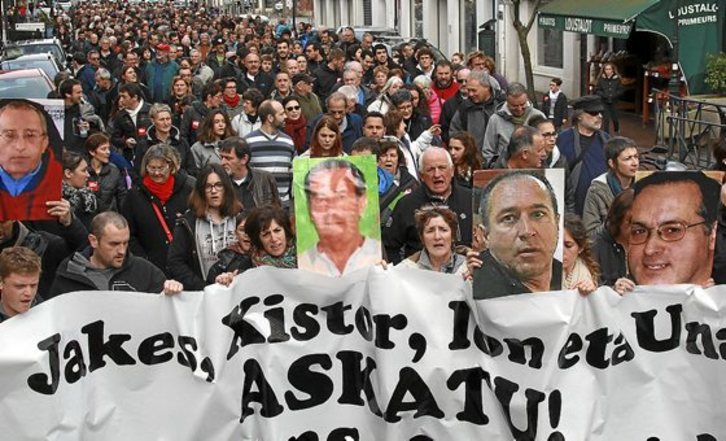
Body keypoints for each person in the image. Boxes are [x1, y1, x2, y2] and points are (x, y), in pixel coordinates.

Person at [615, 171, 720, 293]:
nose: (649, 249)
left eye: (672, 230)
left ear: (713, 235)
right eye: (639, 231)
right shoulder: (609, 299)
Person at [471, 171, 561, 299]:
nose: (526, 231)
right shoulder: (473, 289)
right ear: (486, 235)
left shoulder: (572, 279)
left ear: (557, 223)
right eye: (509, 218)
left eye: (538, 214)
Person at [48, 212, 184, 297]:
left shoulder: (145, 272)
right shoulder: (70, 274)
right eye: (114, 244)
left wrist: (171, 292)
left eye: (125, 243)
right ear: (93, 241)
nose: (122, 251)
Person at [384, 148, 472, 264]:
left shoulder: (471, 199)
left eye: (442, 168)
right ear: (421, 175)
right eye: (430, 170)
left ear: (452, 171)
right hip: (420, 273)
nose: (437, 174)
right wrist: (402, 271)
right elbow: (390, 246)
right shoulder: (406, 204)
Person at [298, 159, 382, 276]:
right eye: (321, 200)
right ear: (309, 208)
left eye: (341, 197)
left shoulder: (377, 256)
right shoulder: (302, 264)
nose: (332, 210)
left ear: (361, 202)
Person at [121, 144, 195, 276]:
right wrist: (143, 260)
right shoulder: (134, 195)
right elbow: (129, 233)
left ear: (171, 166)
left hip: (187, 267)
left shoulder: (189, 189)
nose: (156, 173)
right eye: (152, 168)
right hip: (151, 269)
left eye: (161, 168)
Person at [167, 164, 242, 290]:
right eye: (208, 186)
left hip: (237, 291)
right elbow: (175, 262)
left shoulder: (240, 218)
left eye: (219, 185)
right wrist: (203, 288)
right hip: (202, 293)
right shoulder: (187, 222)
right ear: (201, 190)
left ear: (226, 187)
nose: (214, 191)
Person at [0, 100, 64, 221]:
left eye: (30, 135)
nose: (20, 146)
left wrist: (69, 222)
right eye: (9, 135)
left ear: (44, 143)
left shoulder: (62, 182)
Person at [557, 95, 609, 215]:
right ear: (579, 116)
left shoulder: (606, 140)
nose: (599, 116)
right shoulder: (563, 140)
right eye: (593, 113)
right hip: (574, 208)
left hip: (601, 207)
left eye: (601, 113)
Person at [582, 136, 639, 236]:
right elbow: (590, 233)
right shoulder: (597, 190)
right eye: (627, 159)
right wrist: (616, 221)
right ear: (612, 163)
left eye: (636, 157)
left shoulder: (643, 184)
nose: (635, 163)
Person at [243, 100, 296, 207]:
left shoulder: (288, 141)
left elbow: (293, 171)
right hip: (258, 205)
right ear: (270, 118)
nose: (285, 116)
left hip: (283, 205)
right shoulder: (249, 141)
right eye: (281, 114)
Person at [481, 82, 545, 168]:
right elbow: (488, 152)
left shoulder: (539, 116)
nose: (519, 109)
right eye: (514, 106)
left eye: (522, 104)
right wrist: (498, 167)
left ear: (527, 99)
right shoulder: (495, 120)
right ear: (507, 102)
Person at [396, 206, 467, 275]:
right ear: (422, 238)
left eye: (443, 230)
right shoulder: (405, 270)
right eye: (430, 231)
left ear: (452, 236)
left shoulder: (468, 268)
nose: (437, 237)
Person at [218, 136, 280, 210]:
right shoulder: (218, 181)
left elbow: (277, 210)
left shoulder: (265, 179)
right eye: (221, 157)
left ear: (244, 159)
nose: (222, 162)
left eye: (228, 158)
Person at [592, 189, 632, 287]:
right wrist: (613, 290)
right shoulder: (596, 246)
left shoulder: (646, 244)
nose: (636, 227)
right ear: (618, 219)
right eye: (630, 221)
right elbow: (592, 288)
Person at [85, 133, 128, 213]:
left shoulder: (114, 171)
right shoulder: (83, 171)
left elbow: (122, 197)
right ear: (92, 152)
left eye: (108, 148)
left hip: (109, 216)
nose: (108, 152)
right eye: (103, 149)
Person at [244, 205, 297, 269]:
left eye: (277, 230)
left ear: (286, 232)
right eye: (266, 234)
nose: (274, 239)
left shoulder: (304, 253)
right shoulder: (247, 268)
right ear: (258, 240)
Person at [208, 211, 253, 285]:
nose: (247, 234)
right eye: (242, 230)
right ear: (236, 233)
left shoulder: (269, 258)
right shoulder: (223, 264)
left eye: (251, 229)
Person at [0, 246, 42, 322]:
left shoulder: (50, 317)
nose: (29, 293)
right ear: (1, 283)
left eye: (33, 285)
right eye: (20, 286)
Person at [190, 109, 236, 173]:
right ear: (210, 125)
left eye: (223, 121)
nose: (221, 125)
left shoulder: (234, 144)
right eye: (217, 122)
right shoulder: (197, 148)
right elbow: (194, 172)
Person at [562, 214, 599, 292]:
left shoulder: (586, 275)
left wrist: (590, 292)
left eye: (568, 246)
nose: (562, 251)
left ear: (580, 248)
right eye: (557, 245)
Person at [61, 150, 97, 228]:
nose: (88, 175)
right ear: (68, 173)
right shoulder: (58, 201)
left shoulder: (88, 196)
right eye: (84, 170)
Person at [594, 63, 623, 134]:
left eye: (609, 69)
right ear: (604, 70)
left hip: (614, 101)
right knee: (606, 118)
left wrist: (615, 95)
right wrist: (603, 95)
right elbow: (597, 89)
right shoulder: (601, 79)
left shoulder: (617, 79)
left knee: (615, 118)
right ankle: (606, 133)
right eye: (606, 69)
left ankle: (616, 130)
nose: (608, 71)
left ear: (613, 70)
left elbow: (620, 89)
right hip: (604, 101)